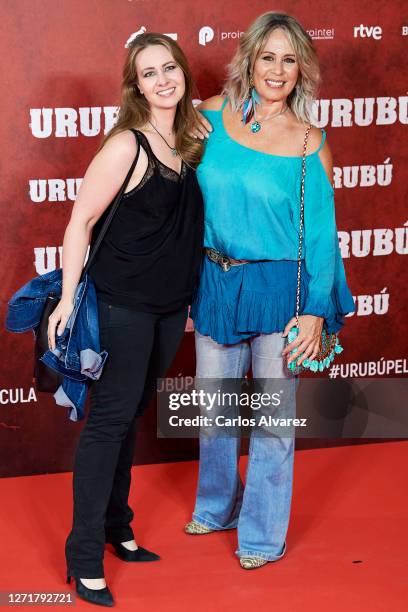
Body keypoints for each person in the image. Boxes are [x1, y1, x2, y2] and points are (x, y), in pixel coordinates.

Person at [185, 12, 355, 569]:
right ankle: (217, 505)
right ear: (249, 61)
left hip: (280, 288)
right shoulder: (210, 114)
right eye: (268, 57)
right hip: (217, 280)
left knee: (272, 422)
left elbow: (323, 240)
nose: (277, 69)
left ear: (301, 69)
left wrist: (313, 313)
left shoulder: (310, 143)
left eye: (290, 59)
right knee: (214, 411)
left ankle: (261, 536)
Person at [47, 33, 204, 606]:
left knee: (132, 412)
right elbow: (79, 221)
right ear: (135, 85)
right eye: (148, 73)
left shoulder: (189, 138)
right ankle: (84, 554)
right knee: (110, 422)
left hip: (169, 307)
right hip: (121, 303)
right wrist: (67, 299)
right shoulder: (126, 145)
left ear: (183, 72)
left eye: (169, 68)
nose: (162, 79)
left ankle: (118, 525)